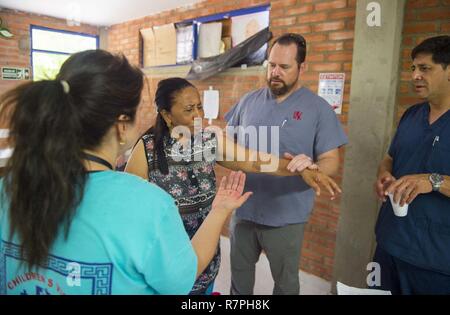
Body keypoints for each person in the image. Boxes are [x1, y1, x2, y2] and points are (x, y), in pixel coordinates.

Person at [0, 49, 252, 295]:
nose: (197, 115)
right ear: (122, 126)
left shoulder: (9, 187)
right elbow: (182, 279)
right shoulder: (148, 203)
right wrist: (220, 210)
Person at [125, 77, 341, 295]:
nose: (198, 115)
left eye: (199, 106)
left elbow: (256, 161)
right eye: (189, 110)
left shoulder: (208, 141)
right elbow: (128, 214)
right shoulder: (147, 150)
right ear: (166, 115)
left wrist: (301, 169)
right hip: (164, 263)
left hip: (205, 260)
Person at [224, 33, 348, 295]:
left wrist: (313, 167)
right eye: (271, 65)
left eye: (284, 67)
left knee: (285, 284)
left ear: (302, 67)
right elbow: (229, 146)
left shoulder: (318, 109)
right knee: (239, 282)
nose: (275, 73)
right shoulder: (248, 102)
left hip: (286, 216)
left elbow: (331, 161)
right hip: (243, 210)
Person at [372, 35, 450, 294]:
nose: (415, 75)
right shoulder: (412, 115)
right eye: (413, 68)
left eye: (425, 69)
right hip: (389, 243)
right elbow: (391, 157)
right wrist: (384, 173)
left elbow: (430, 180)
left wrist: (433, 181)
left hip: (434, 260)